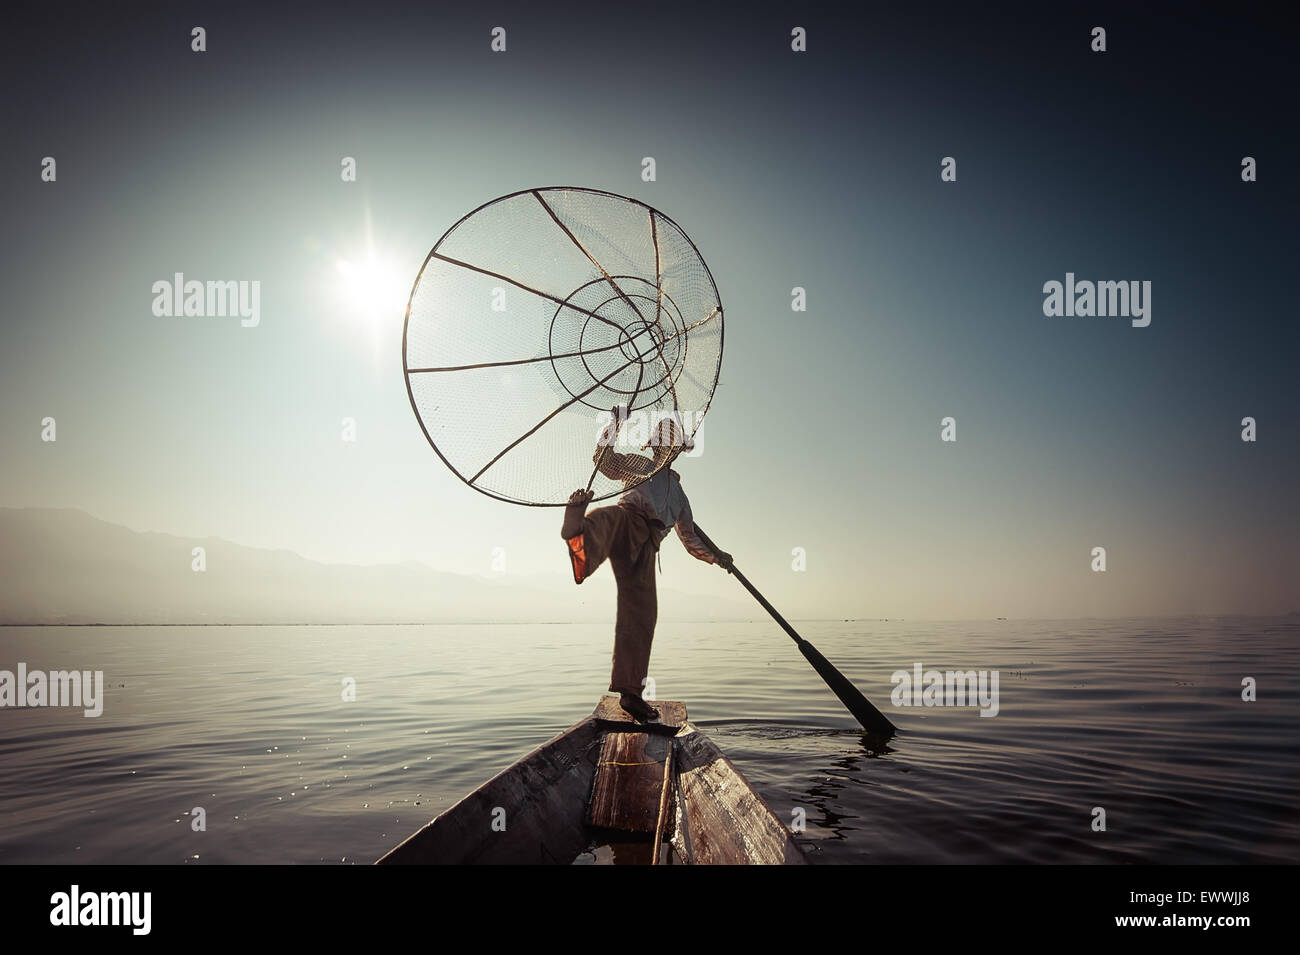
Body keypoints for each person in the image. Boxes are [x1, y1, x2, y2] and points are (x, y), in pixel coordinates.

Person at [561, 406, 732, 721]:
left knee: (642, 616)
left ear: (678, 449)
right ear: (654, 445)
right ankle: (576, 526)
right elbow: (604, 462)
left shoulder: (679, 493)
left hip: (646, 550)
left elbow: (690, 539)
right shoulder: (638, 464)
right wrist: (615, 424)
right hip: (626, 521)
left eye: (673, 442)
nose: (666, 446)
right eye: (662, 440)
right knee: (603, 520)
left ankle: (630, 693)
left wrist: (717, 557)